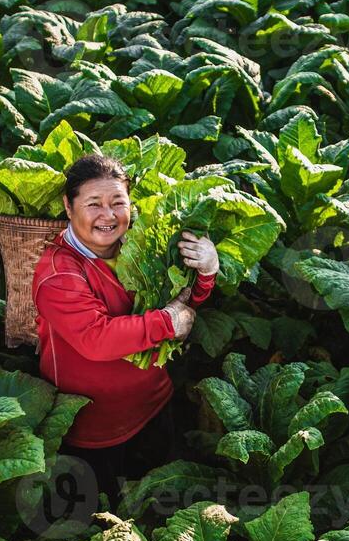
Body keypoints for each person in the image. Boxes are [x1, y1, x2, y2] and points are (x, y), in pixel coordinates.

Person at [32, 153, 219, 508]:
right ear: (68, 207)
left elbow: (181, 303)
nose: (108, 215)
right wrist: (167, 323)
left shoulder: (143, 245)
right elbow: (95, 339)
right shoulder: (57, 271)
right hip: (94, 431)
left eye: (118, 202)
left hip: (155, 404)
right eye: (93, 204)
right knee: (101, 520)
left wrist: (207, 271)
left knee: (162, 507)